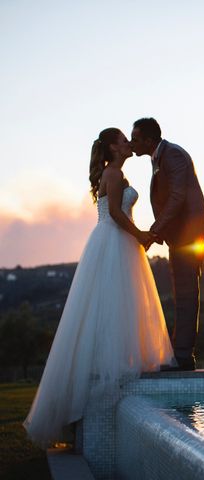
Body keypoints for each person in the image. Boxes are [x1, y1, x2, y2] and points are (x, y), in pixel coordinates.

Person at [23, 128, 175, 448]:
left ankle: (118, 373)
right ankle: (108, 381)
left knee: (118, 305)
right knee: (113, 303)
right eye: (122, 140)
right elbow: (117, 214)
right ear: (112, 147)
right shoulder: (114, 172)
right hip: (114, 242)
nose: (127, 143)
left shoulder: (114, 172)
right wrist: (142, 236)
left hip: (114, 242)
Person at [130, 118, 204, 371]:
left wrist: (154, 232)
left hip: (189, 235)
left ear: (148, 139)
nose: (132, 143)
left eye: (135, 138)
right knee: (183, 293)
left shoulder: (172, 155)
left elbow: (177, 197)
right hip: (181, 234)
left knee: (186, 293)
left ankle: (183, 357)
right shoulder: (159, 157)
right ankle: (182, 355)